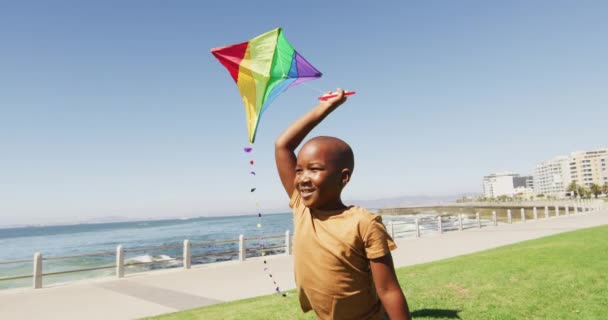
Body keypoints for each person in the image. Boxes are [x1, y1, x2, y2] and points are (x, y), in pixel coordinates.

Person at [275, 88, 411, 320]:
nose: (303, 178)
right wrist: (325, 107)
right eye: (299, 171)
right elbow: (283, 146)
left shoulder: (363, 222)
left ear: (343, 177)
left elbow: (388, 289)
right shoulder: (302, 207)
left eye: (315, 169)